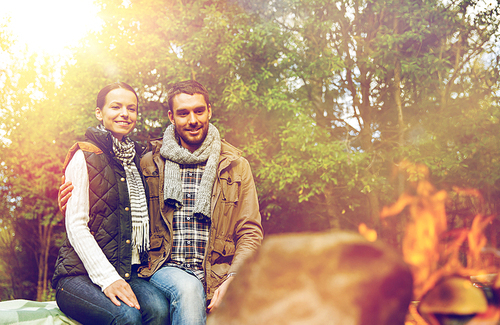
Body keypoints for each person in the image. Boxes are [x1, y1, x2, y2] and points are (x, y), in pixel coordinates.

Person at [59, 80, 264, 325]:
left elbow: (249, 231)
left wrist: (235, 276)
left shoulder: (235, 165)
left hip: (216, 270)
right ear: (171, 116)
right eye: (183, 113)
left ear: (209, 110)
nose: (192, 120)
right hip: (162, 267)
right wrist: (70, 199)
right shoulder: (150, 161)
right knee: (183, 292)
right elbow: (107, 198)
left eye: (199, 111)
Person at [52, 82, 169, 325]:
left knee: (159, 311)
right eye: (115, 106)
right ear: (99, 113)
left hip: (128, 269)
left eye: (131, 108)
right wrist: (108, 279)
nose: (124, 113)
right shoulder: (84, 154)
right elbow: (76, 225)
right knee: (126, 317)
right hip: (79, 275)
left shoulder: (139, 158)